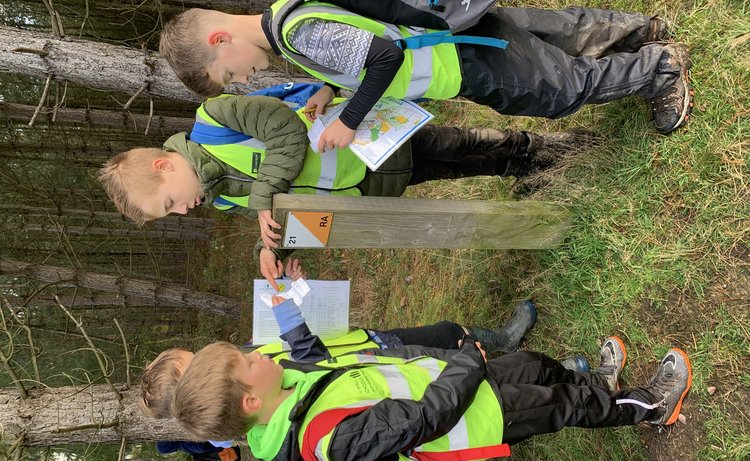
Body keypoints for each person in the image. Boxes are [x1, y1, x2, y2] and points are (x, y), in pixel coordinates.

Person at [98, 94, 589, 288]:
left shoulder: (215, 120)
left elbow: (283, 129)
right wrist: (266, 248)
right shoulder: (222, 196)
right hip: (370, 185)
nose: (183, 211)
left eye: (170, 203)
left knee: (457, 144)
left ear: (165, 164)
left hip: (371, 141)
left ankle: (545, 147)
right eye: (172, 215)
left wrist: (265, 198)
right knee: (453, 172)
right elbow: (283, 216)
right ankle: (527, 170)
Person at [172, 298, 693, 461]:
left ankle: (602, 386)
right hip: (475, 417)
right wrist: (466, 363)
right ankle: (649, 407)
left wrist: (457, 362)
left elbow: (372, 366)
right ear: (250, 402)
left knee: (535, 363)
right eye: (246, 360)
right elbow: (425, 420)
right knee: (562, 404)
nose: (257, 352)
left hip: (464, 382)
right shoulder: (328, 444)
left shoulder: (292, 386)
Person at [158, 5, 694, 151]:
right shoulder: (286, 13)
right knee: (548, 34)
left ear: (219, 42)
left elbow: (385, 58)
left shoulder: (294, 37)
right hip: (450, 27)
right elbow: (362, 39)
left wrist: (348, 118)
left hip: (452, 60)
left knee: (555, 88)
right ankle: (638, 32)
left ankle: (660, 69)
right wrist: (330, 87)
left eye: (227, 75)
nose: (243, 79)